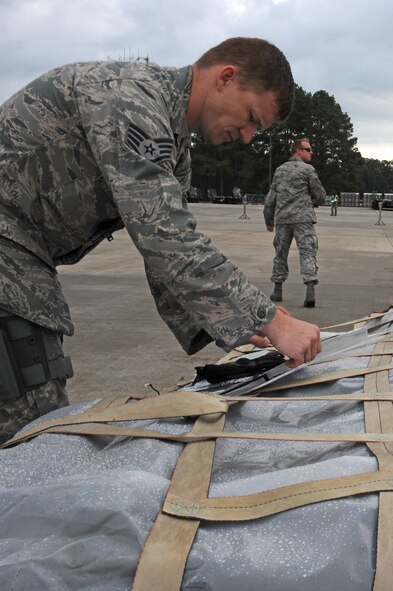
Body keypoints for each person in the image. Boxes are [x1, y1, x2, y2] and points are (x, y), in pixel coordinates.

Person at [0, 37, 321, 444]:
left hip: (21, 248)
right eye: (252, 117)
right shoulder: (132, 99)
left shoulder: (172, 144)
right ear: (225, 78)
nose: (247, 137)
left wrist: (243, 323)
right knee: (32, 431)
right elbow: (166, 237)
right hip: (10, 247)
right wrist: (267, 319)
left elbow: (161, 257)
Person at [264, 138, 326, 307]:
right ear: (298, 151)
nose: (311, 152)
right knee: (307, 253)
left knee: (280, 254)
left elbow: (271, 198)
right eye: (308, 149)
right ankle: (310, 290)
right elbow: (320, 195)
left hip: (283, 219)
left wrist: (268, 219)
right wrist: (315, 200)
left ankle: (277, 290)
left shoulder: (280, 170)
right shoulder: (308, 170)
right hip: (303, 219)